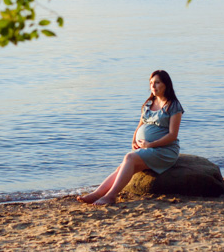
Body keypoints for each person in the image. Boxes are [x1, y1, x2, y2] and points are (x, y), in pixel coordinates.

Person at [78, 70, 184, 206]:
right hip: (148, 149)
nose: (153, 86)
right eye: (151, 83)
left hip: (165, 150)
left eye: (157, 82)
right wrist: (134, 141)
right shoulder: (148, 104)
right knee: (122, 167)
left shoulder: (173, 106)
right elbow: (139, 126)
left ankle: (111, 196)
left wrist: (150, 145)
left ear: (166, 84)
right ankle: (97, 194)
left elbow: (172, 135)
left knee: (129, 158)